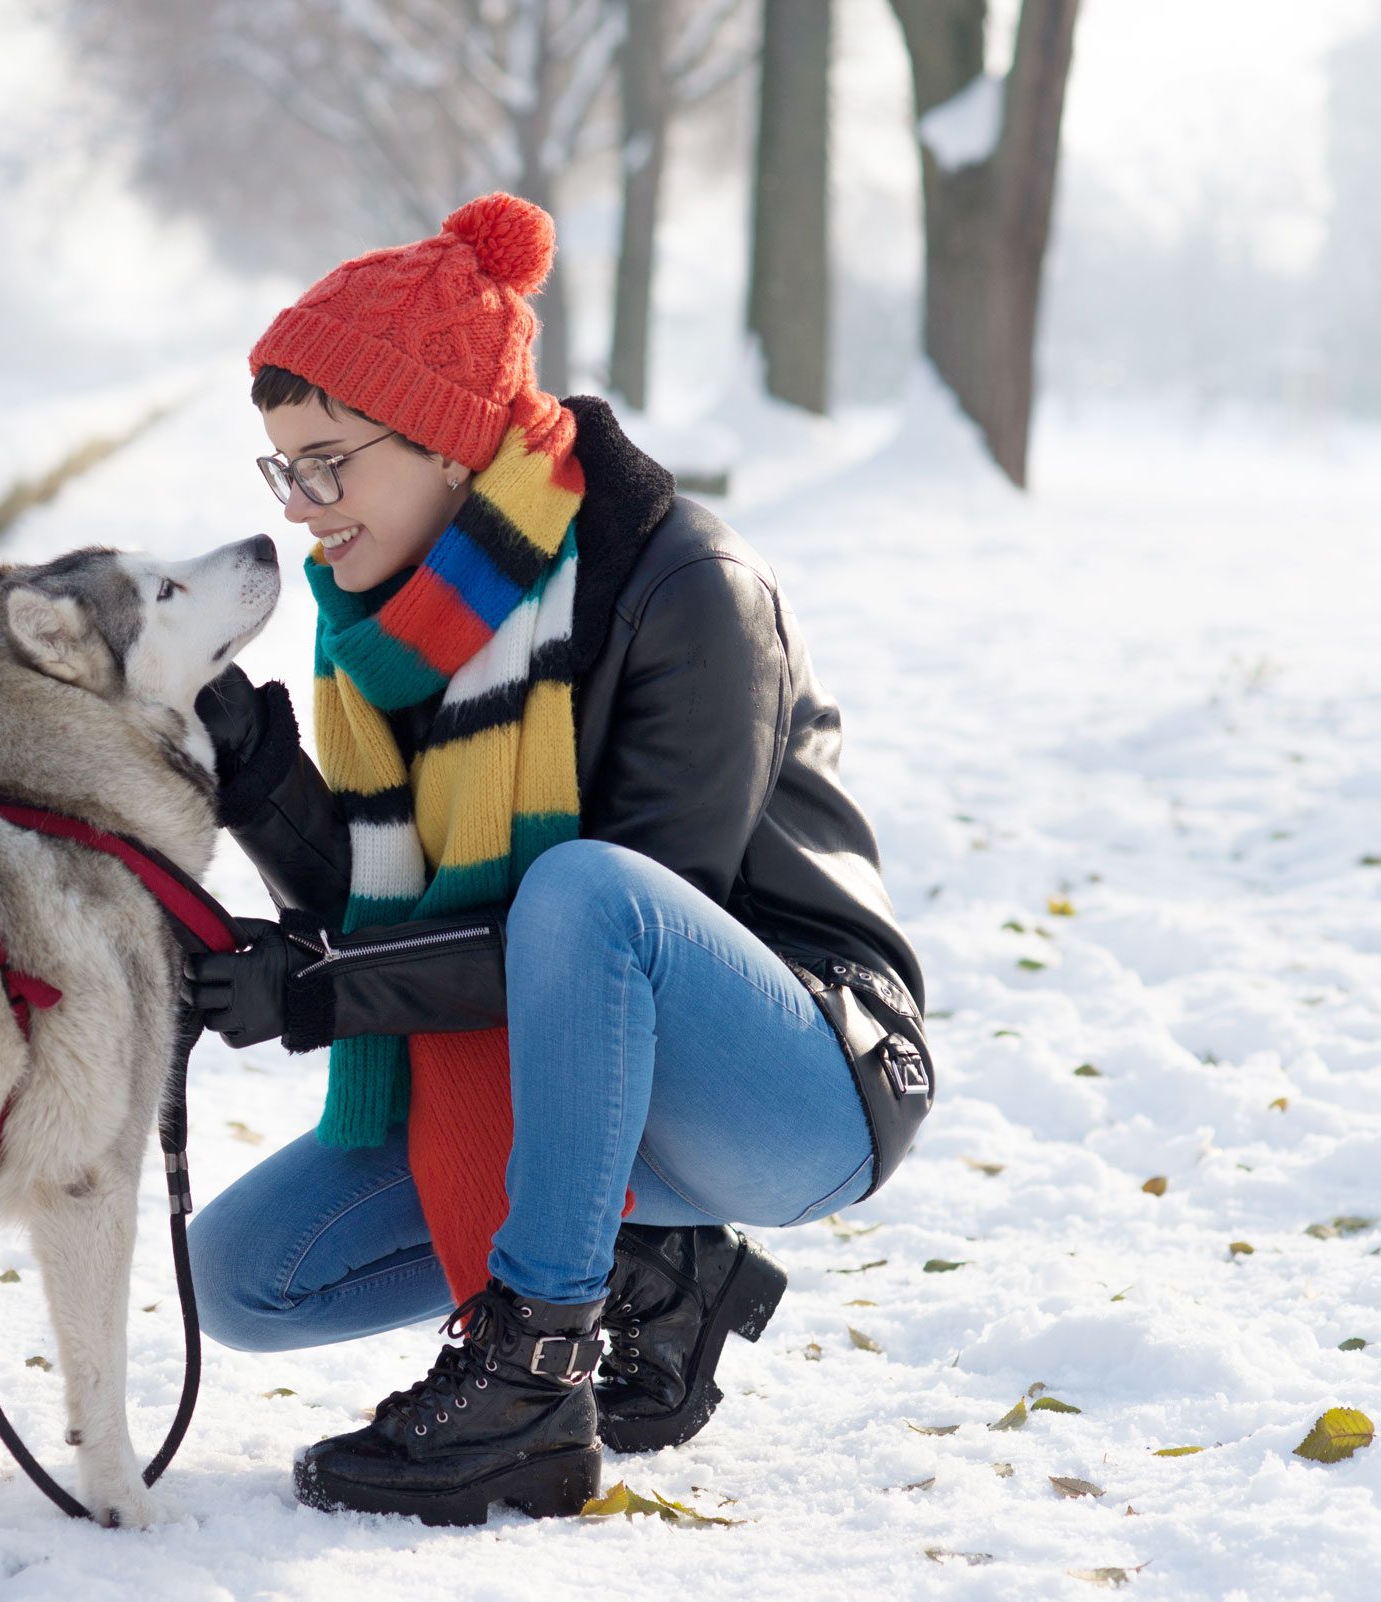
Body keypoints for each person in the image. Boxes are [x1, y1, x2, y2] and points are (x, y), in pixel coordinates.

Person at [183, 192, 934, 1526]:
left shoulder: (681, 581)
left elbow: (627, 928)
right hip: (595, 1074)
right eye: (282, 470)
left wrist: (321, 985)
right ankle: (652, 1264)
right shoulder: (399, 623)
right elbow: (379, 909)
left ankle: (529, 1376)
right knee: (247, 1274)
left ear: (449, 438)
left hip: (802, 1070)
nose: (303, 510)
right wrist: (252, 766)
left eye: (327, 462)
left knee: (581, 893)